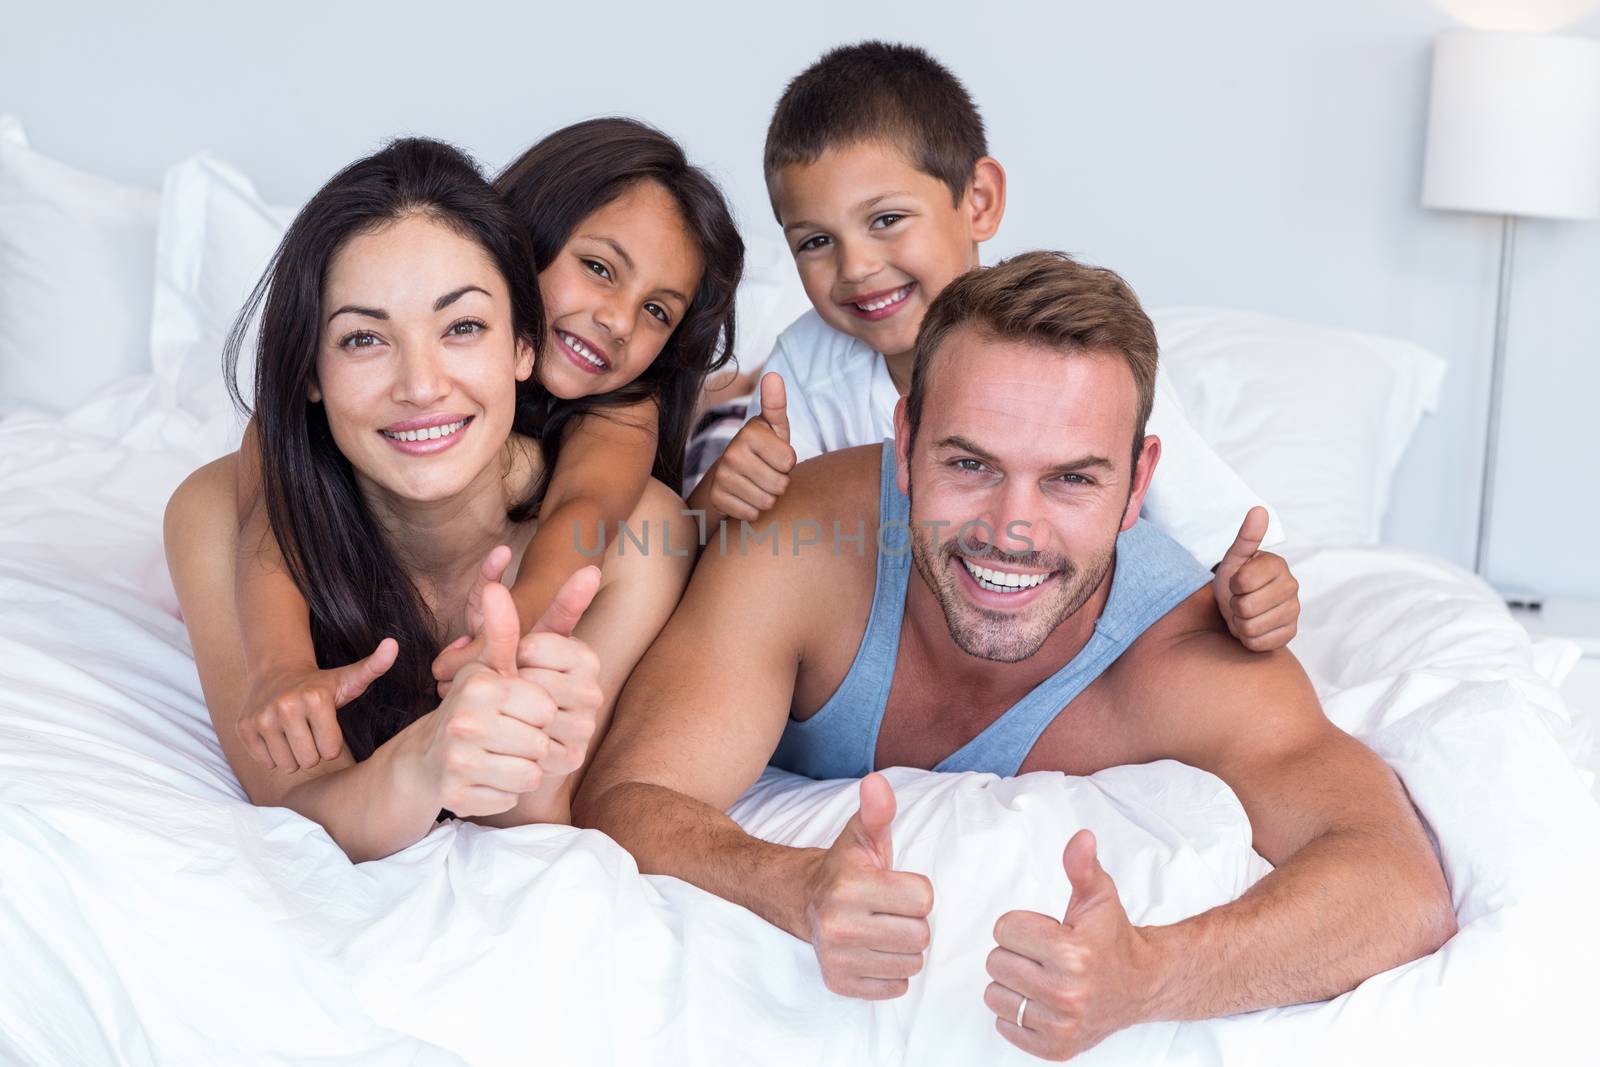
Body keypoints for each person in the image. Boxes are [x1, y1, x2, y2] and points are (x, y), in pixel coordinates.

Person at [576, 251, 1457, 1062]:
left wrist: (1149, 975)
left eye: (1073, 477)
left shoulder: (1178, 646)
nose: (1012, 530)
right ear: (908, 444)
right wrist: (789, 882)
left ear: (1138, 483)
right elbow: (628, 795)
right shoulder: (801, 541)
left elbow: (1396, 878)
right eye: (970, 463)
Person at [163, 138, 697, 861]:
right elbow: (296, 804)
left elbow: (534, 837)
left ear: (523, 345)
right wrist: (419, 758)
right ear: (309, 370)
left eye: (464, 327)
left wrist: (529, 736)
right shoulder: (211, 516)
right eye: (361, 338)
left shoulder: (636, 523)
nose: (420, 385)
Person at [687, 41, 1301, 652]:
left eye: (886, 220)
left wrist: (1251, 589)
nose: (856, 266)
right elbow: (764, 550)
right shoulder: (807, 364)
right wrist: (723, 496)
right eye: (815, 241)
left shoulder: (1080, 358)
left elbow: (1227, 545)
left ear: (978, 200)